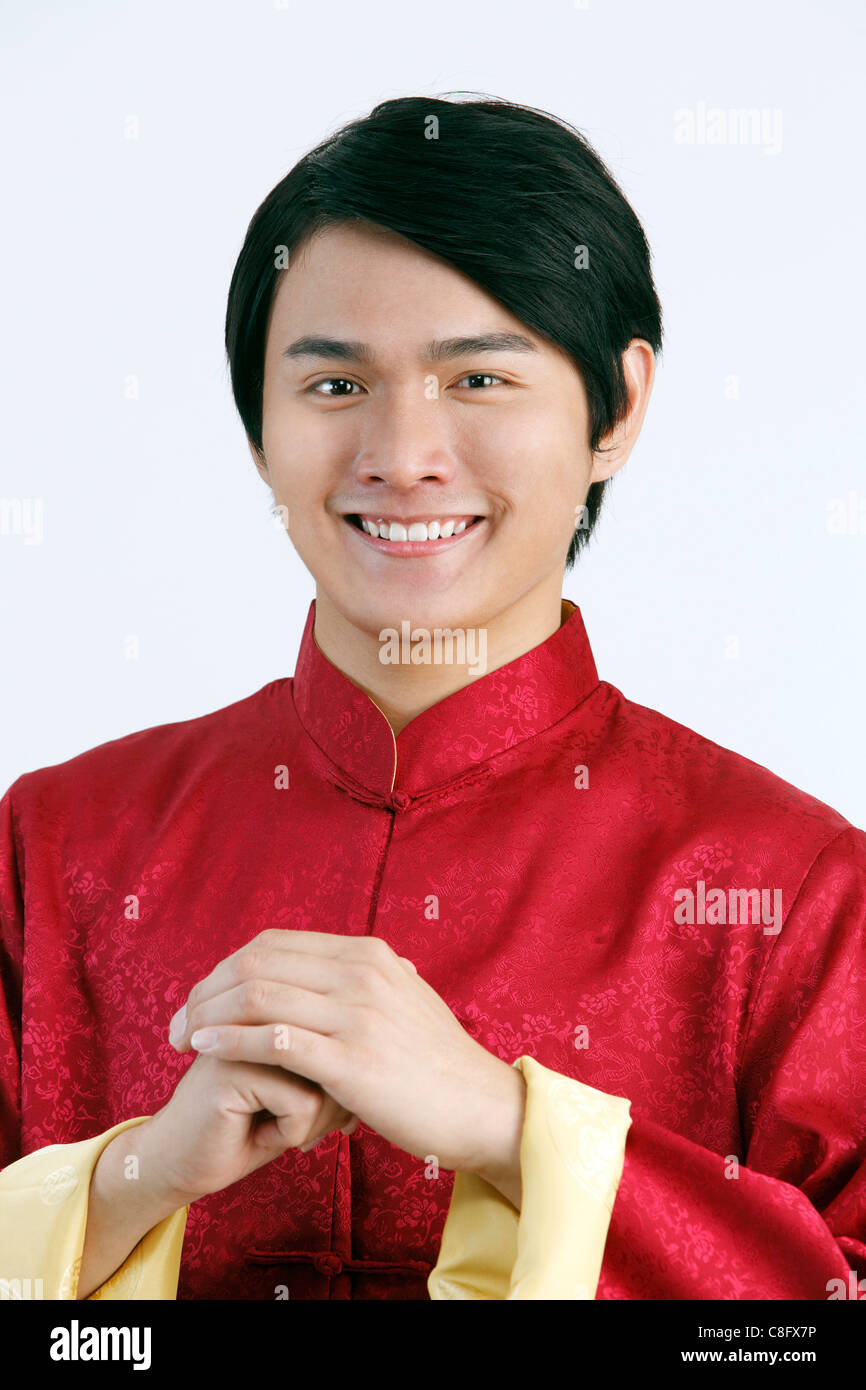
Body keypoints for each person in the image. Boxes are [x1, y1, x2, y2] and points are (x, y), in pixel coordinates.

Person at [1, 94, 864, 1303]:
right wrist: (135, 1181)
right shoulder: (54, 849)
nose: (401, 454)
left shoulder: (792, 888)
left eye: (476, 379)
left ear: (614, 408)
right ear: (257, 422)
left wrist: (517, 1135)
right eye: (336, 385)